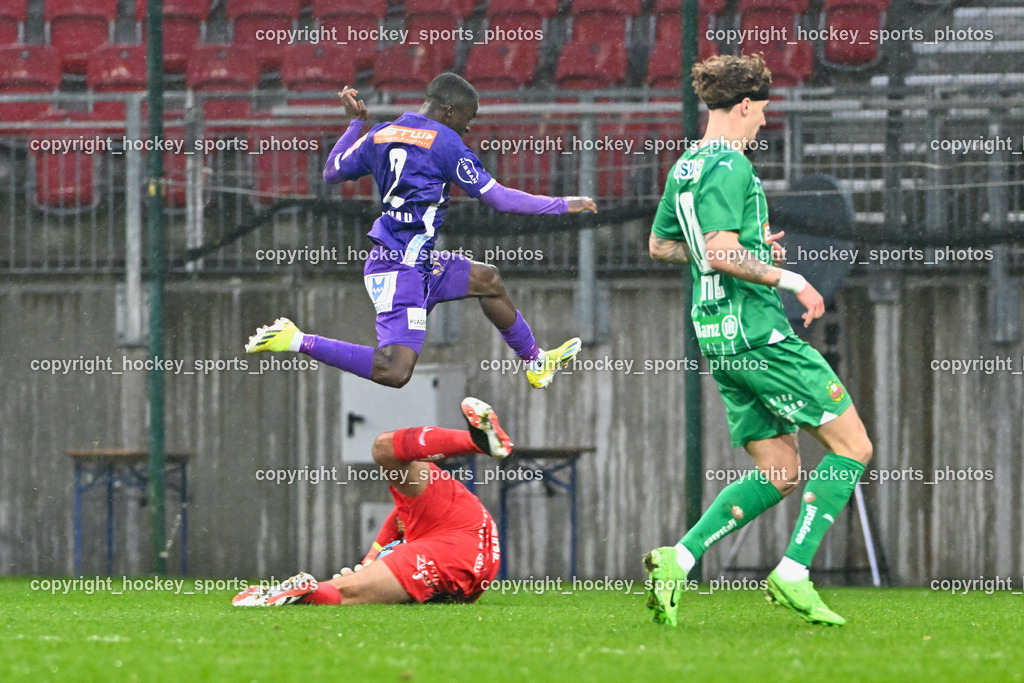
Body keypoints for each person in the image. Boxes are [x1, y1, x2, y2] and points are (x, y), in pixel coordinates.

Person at [642, 54, 873, 627]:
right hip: (759, 334)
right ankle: (793, 572)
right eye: (763, 111)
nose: (764, 123)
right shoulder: (730, 164)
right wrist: (792, 277)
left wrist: (748, 247)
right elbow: (718, 252)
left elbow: (663, 246)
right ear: (744, 105)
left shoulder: (686, 165)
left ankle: (679, 558)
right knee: (853, 447)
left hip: (717, 338)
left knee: (780, 469)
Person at [245, 73, 597, 389]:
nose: (469, 127)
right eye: (468, 118)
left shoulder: (382, 133)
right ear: (448, 111)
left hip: (418, 261)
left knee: (487, 280)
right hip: (399, 270)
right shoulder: (445, 144)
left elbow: (332, 170)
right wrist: (565, 203)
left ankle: (536, 362)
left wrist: (355, 124)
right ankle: (295, 339)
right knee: (395, 371)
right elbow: (501, 199)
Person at [233, 397, 507, 607]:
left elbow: (351, 588)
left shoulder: (419, 553)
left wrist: (369, 562)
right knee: (385, 448)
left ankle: (297, 592)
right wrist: (371, 559)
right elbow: (401, 516)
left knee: (348, 591)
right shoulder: (417, 533)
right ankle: (477, 441)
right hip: (463, 521)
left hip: (459, 555)